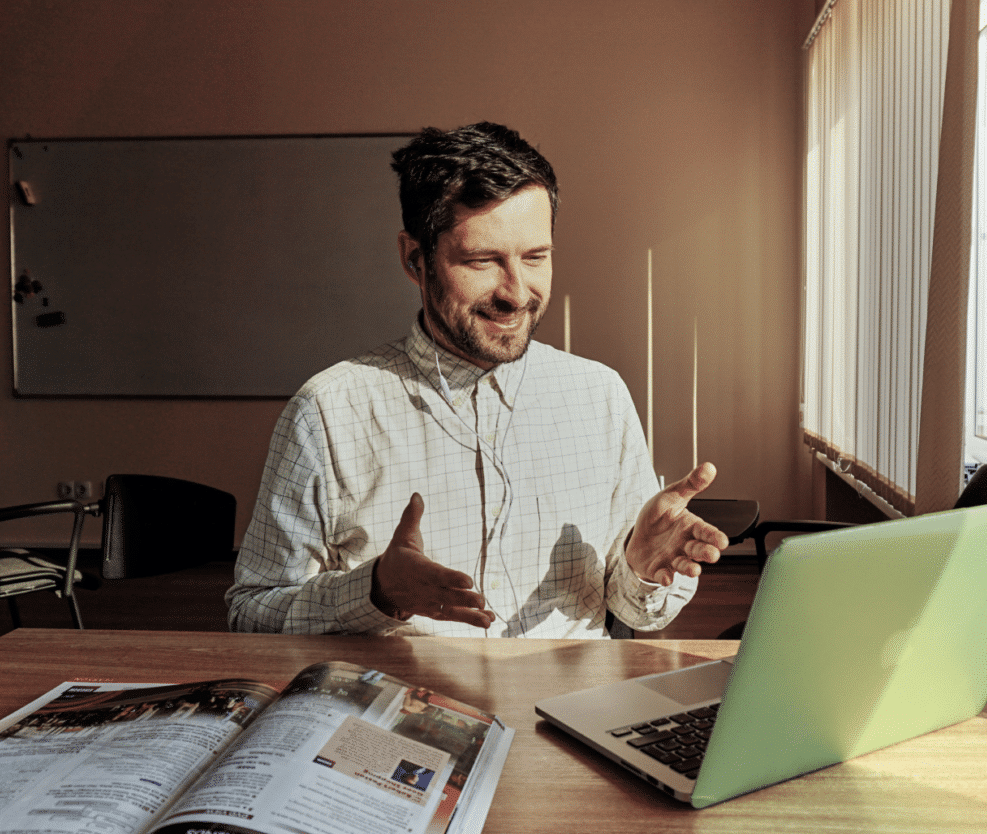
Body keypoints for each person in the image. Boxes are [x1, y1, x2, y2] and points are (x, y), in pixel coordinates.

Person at [226, 121, 727, 638]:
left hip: (565, 708)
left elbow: (635, 612)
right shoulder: (328, 412)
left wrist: (641, 571)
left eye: (536, 257)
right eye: (481, 260)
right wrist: (375, 594)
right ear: (414, 259)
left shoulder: (600, 397)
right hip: (399, 710)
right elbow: (252, 612)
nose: (515, 292)